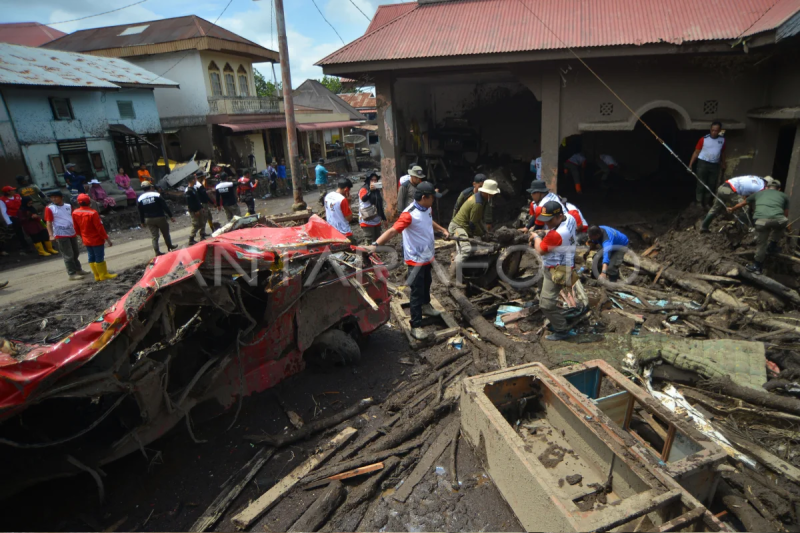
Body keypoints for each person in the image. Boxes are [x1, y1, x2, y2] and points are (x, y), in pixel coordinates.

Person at [369, 182, 449, 341]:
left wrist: (441, 229)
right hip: (415, 260)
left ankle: (426, 306)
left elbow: (428, 221)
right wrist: (375, 245)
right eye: (432, 197)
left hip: (427, 256)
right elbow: (392, 231)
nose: (434, 200)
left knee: (427, 283)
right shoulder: (409, 214)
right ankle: (416, 326)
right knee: (416, 292)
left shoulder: (427, 208)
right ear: (424, 197)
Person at [530, 201, 579, 341]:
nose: (548, 223)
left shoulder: (556, 235)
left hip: (558, 269)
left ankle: (561, 329)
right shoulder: (570, 218)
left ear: (559, 216)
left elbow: (540, 250)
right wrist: (545, 232)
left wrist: (536, 237)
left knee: (546, 304)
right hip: (565, 261)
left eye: (550, 220)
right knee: (540, 283)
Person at [729, 179, 790, 274]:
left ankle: (757, 267)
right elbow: (786, 214)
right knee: (782, 224)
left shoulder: (758, 193)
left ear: (766, 187)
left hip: (761, 221)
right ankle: (773, 245)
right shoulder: (784, 196)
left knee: (762, 244)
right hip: (779, 220)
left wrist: (732, 209)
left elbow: (743, 203)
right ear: (779, 189)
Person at [449, 179, 499, 283]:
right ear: (485, 192)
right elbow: (473, 224)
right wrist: (482, 234)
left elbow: (477, 220)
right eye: (491, 194)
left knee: (466, 250)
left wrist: (485, 232)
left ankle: (462, 273)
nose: (493, 196)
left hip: (463, 227)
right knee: (466, 249)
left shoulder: (482, 200)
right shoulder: (478, 203)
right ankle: (453, 276)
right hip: (457, 227)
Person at [44, 190, 89, 280]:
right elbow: (48, 222)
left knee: (75, 252)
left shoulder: (68, 206)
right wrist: (51, 235)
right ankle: (71, 273)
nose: (54, 199)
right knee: (68, 254)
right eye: (52, 197)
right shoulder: (50, 208)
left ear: (61, 197)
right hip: (61, 233)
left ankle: (78, 269)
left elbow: (73, 217)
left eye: (56, 197)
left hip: (71, 232)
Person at [72, 193, 117, 281]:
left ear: (78, 203)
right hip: (96, 239)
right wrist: (107, 239)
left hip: (86, 238)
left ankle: (96, 276)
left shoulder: (75, 212)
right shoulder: (93, 213)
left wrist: (81, 237)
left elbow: (76, 227)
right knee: (99, 256)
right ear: (90, 202)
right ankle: (103, 275)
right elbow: (99, 228)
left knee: (91, 256)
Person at [700, 175, 766, 232]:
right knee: (745, 208)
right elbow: (746, 202)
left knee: (715, 208)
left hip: (722, 188)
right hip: (730, 190)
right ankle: (746, 230)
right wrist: (734, 208)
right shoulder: (761, 187)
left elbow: (746, 194)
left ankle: (704, 227)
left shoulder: (754, 179)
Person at [689, 121, 726, 208]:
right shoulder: (704, 139)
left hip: (714, 164)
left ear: (719, 130)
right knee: (701, 183)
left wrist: (723, 163)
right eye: (712, 130)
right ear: (710, 129)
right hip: (703, 163)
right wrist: (690, 164)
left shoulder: (722, 140)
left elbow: (723, 153)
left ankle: (706, 202)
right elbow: (696, 152)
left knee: (711, 184)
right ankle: (699, 202)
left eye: (716, 131)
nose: (714, 132)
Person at [138, 181, 177, 256]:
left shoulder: (140, 198)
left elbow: (140, 211)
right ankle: (169, 247)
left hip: (148, 219)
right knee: (165, 233)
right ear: (150, 187)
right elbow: (164, 206)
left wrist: (142, 222)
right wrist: (171, 216)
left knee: (154, 236)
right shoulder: (156, 195)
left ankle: (157, 252)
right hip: (160, 217)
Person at [324, 178, 355, 244]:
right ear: (346, 189)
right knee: (356, 250)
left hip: (332, 230)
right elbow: (349, 218)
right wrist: (349, 203)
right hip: (344, 232)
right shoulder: (342, 200)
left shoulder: (328, 195)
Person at [358, 172, 386, 243]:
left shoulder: (377, 190)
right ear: (368, 180)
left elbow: (379, 204)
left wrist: (384, 218)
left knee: (377, 240)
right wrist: (370, 190)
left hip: (376, 218)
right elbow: (363, 199)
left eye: (375, 180)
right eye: (372, 180)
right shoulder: (364, 189)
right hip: (367, 219)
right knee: (369, 240)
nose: (374, 182)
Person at [1, 185, 29, 252]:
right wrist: (8, 222)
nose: (14, 191)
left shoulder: (18, 196)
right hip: (13, 217)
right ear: (8, 192)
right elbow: (3, 211)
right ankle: (24, 245)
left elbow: (23, 204)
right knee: (19, 231)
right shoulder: (2, 200)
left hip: (22, 215)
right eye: (12, 190)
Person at [185, 176, 207, 245]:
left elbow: (197, 200)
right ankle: (191, 239)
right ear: (191, 180)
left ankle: (202, 236)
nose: (196, 181)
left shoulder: (193, 189)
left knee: (202, 222)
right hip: (194, 210)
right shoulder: (188, 191)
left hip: (199, 208)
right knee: (196, 224)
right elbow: (190, 203)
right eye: (195, 179)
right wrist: (195, 211)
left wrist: (201, 207)